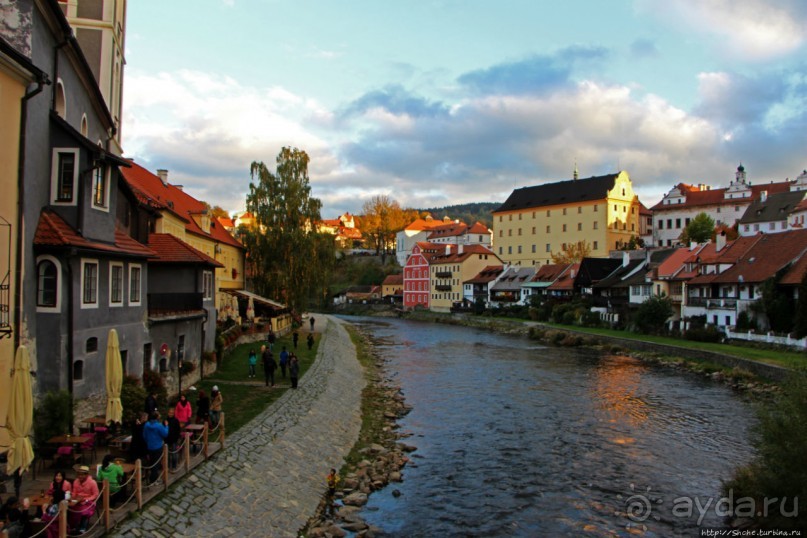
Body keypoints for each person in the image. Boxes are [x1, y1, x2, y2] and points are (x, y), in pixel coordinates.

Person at [142, 412, 168, 485]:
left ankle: (153, 478)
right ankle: (154, 480)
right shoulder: (159, 426)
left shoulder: (146, 425)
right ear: (157, 418)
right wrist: (166, 426)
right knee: (156, 463)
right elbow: (165, 434)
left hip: (150, 446)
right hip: (158, 446)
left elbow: (144, 436)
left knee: (152, 462)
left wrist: (148, 441)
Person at [70, 466, 99, 533]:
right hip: (78, 500)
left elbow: (95, 494)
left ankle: (83, 527)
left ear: (86, 475)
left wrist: (86, 500)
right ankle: (74, 526)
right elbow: (74, 492)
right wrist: (72, 498)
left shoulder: (92, 482)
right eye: (79, 474)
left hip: (89, 501)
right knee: (71, 509)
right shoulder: (76, 481)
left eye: (82, 475)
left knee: (84, 511)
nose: (80, 476)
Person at [42, 471, 70, 537]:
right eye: (57, 475)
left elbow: (47, 518)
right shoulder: (61, 505)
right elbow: (49, 492)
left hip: (54, 528)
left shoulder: (54, 508)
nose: (58, 477)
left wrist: (43, 511)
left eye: (60, 476)